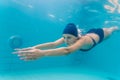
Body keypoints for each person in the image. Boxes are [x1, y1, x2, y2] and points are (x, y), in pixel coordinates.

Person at [13, 23, 120, 61]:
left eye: (68, 37)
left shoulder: (82, 40)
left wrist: (42, 53)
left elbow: (67, 51)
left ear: (76, 37)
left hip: (100, 34)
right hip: (89, 32)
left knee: (111, 31)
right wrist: (33, 48)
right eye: (64, 37)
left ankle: (115, 27)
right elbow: (53, 44)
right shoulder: (68, 37)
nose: (65, 40)